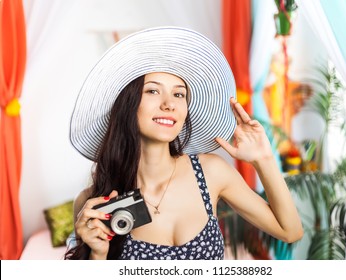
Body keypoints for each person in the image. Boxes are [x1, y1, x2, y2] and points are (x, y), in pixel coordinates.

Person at [65, 26, 303, 260]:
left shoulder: (211, 172)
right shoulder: (93, 201)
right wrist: (97, 255)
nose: (169, 104)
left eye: (179, 94)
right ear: (127, 105)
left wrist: (264, 158)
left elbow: (290, 231)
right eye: (152, 91)